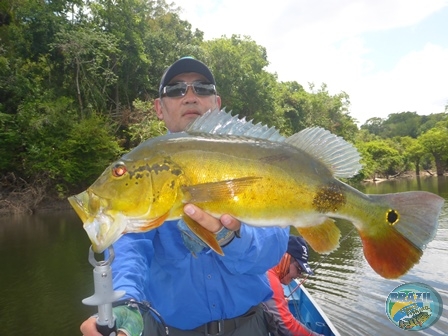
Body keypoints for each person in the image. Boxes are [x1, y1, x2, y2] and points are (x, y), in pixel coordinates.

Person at [80, 57, 289, 336]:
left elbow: (271, 251)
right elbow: (130, 251)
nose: (190, 96)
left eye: (202, 88)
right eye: (176, 90)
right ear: (159, 108)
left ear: (217, 102)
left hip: (250, 325)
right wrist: (125, 305)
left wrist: (229, 237)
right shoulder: (145, 172)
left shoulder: (255, 160)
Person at [264, 236, 322, 336]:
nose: (297, 276)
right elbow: (287, 326)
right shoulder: (270, 277)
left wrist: (280, 302)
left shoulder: (265, 267)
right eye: (299, 269)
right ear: (286, 257)